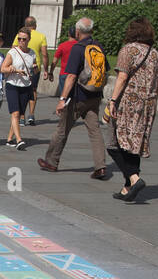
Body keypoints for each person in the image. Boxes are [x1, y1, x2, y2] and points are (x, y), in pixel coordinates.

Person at [39, 18, 108, 178]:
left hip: (77, 97)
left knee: (62, 129)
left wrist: (62, 99)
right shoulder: (98, 46)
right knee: (95, 131)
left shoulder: (78, 48)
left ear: (77, 32)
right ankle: (101, 166)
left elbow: (71, 76)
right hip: (95, 95)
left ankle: (51, 162)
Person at [106, 17, 158, 202]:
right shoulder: (154, 53)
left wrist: (112, 100)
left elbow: (122, 77)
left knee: (115, 144)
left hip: (129, 103)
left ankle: (134, 178)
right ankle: (128, 187)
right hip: (148, 105)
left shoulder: (128, 50)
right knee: (133, 146)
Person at [0, 29, 35, 150]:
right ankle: (19, 140)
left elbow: (33, 67)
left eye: (24, 39)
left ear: (29, 39)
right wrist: (14, 70)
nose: (21, 41)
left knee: (19, 113)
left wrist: (34, 69)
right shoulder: (13, 52)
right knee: (15, 113)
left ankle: (9, 139)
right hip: (12, 85)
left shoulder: (32, 53)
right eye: (19, 39)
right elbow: (3, 68)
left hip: (25, 86)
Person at [22, 16, 48, 126]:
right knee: (33, 90)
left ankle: (22, 117)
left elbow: (14, 48)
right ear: (35, 25)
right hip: (35, 67)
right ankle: (31, 114)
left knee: (22, 90)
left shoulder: (20, 35)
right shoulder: (41, 36)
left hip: (22, 66)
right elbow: (45, 54)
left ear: (25, 25)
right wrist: (46, 69)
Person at [48, 30, 78, 99]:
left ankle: (64, 108)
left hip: (64, 74)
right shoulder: (79, 45)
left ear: (68, 34)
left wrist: (51, 72)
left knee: (64, 97)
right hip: (75, 74)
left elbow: (55, 61)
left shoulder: (62, 46)